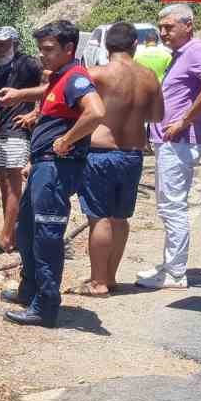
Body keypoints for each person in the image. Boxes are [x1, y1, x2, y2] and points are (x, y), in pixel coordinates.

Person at [0, 20, 106, 327]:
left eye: (48, 49)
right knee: (27, 231)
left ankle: (45, 306)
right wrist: (20, 96)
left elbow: (96, 112)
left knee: (46, 235)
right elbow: (47, 93)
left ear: (69, 48)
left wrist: (67, 140)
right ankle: (29, 290)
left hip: (56, 169)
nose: (42, 55)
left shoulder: (76, 78)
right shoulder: (60, 77)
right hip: (43, 166)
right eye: (40, 49)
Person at [138, 3, 201, 290]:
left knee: (173, 208)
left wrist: (184, 121)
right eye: (161, 27)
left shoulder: (196, 51)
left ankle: (175, 273)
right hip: (169, 142)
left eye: (169, 27)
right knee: (168, 207)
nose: (163, 32)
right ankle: (169, 265)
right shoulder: (179, 55)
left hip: (179, 142)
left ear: (188, 26)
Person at [76, 22, 162, 296]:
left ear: (106, 45)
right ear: (135, 45)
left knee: (99, 218)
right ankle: (110, 277)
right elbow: (157, 116)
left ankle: (98, 282)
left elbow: (76, 107)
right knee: (120, 218)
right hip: (132, 154)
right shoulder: (149, 76)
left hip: (100, 153)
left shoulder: (96, 74)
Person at [0, 26, 43, 256]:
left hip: (18, 130)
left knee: (14, 184)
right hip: (3, 129)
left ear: (15, 44)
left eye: (3, 45)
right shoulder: (0, 69)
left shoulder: (28, 64)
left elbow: (51, 84)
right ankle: (12, 234)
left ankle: (6, 240)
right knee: (4, 182)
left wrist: (36, 112)